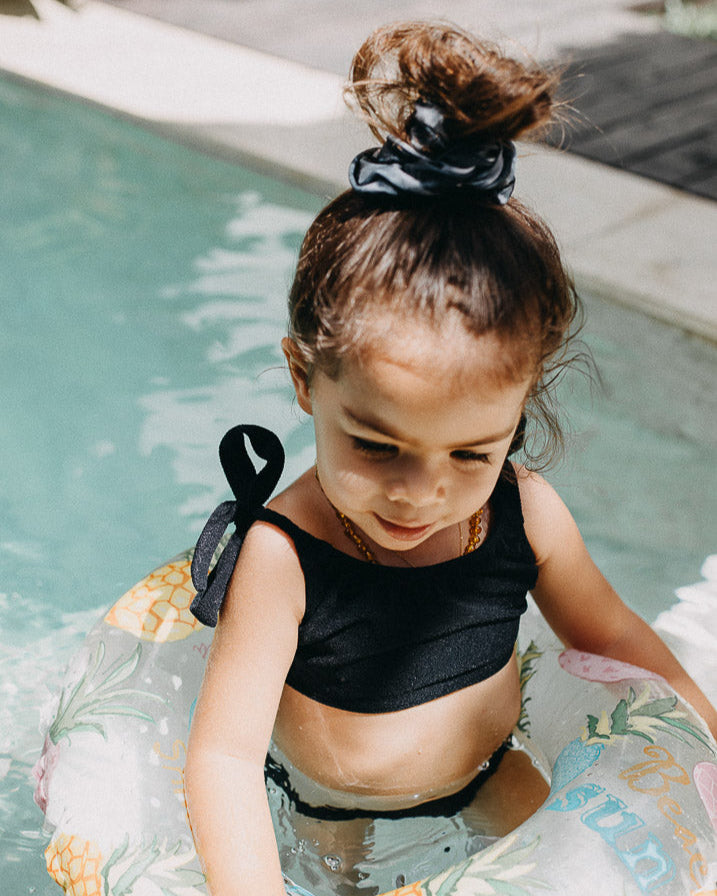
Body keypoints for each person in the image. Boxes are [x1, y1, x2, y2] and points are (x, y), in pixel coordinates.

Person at [183, 21, 717, 896]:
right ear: (304, 379)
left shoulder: (524, 511)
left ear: (518, 412)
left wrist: (706, 740)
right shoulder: (283, 557)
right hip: (332, 808)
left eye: (471, 452)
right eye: (376, 444)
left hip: (489, 773)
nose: (420, 492)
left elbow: (614, 638)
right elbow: (225, 758)